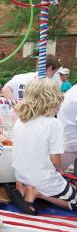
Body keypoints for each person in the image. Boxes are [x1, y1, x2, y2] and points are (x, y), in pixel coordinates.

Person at [10, 79, 77, 215]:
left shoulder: (19, 122)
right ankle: (40, 194)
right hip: (42, 179)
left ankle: (24, 187)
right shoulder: (54, 124)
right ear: (53, 100)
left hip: (21, 174)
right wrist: (58, 170)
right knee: (74, 202)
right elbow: (55, 159)